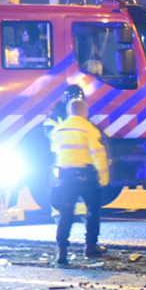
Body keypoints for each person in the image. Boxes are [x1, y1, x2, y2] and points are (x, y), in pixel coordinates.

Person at [49, 99, 109, 266]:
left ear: (69, 111)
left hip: (65, 176)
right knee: (93, 210)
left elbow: (55, 153)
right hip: (85, 175)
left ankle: (61, 250)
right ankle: (90, 247)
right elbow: (98, 155)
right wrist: (103, 178)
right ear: (85, 111)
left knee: (66, 213)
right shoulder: (88, 129)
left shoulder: (58, 129)